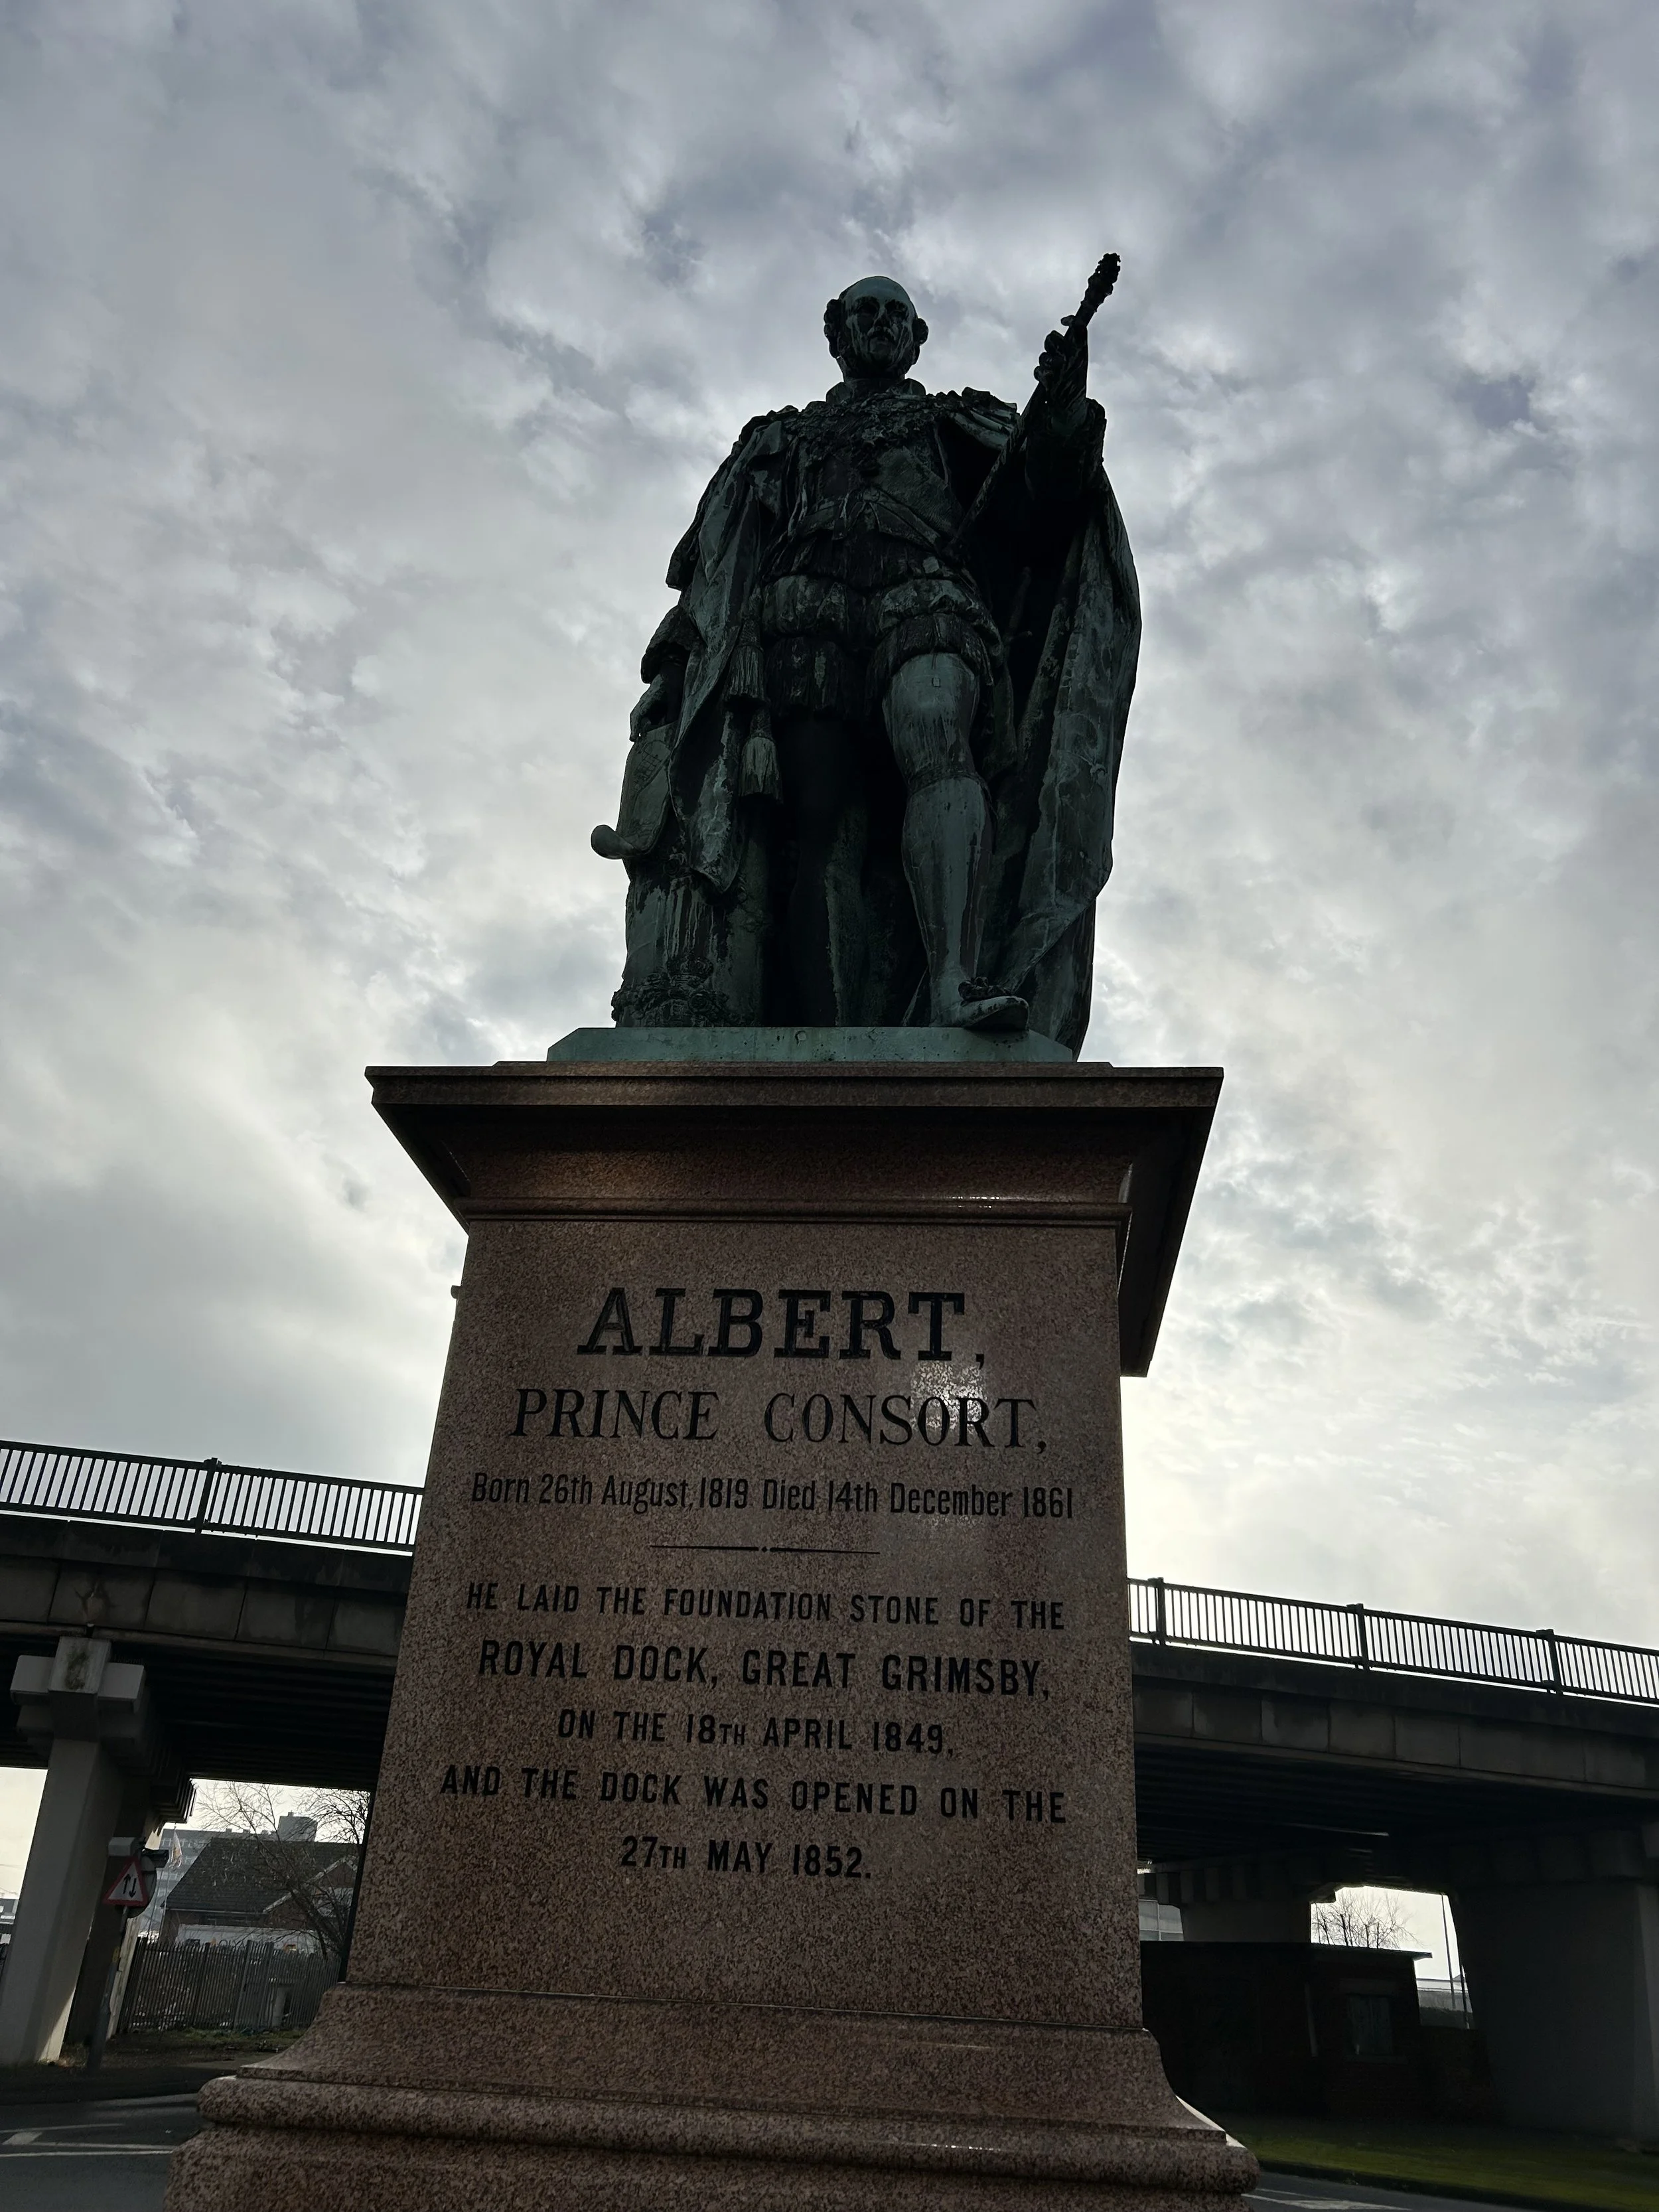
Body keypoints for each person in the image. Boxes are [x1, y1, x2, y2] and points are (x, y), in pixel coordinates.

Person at [592, 272, 1139, 1053]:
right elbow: (716, 564)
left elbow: (1046, 503)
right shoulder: (780, 439)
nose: (880, 326)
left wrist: (1061, 405)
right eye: (865, 312)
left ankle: (954, 980)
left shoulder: (955, 422)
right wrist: (677, 668)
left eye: (896, 316)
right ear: (835, 332)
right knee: (821, 814)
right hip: (802, 612)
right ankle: (830, 1031)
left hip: (925, 593)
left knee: (938, 740)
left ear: (918, 339)